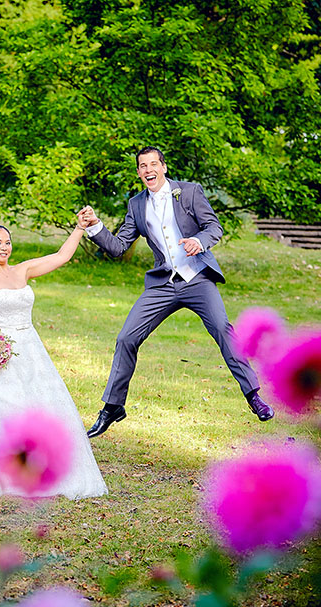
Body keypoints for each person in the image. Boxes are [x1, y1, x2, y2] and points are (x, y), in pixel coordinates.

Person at [77, 146, 274, 438]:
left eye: (153, 164)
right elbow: (119, 247)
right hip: (163, 284)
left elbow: (213, 226)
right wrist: (95, 227)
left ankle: (253, 396)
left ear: (164, 167)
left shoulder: (190, 192)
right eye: (142, 166)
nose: (148, 170)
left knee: (222, 328)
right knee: (126, 337)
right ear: (138, 173)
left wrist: (199, 241)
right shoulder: (136, 205)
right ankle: (113, 407)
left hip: (196, 278)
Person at [0, 223, 108, 499]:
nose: (4, 248)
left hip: (31, 350)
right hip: (1, 353)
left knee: (41, 405)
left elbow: (61, 257)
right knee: (5, 407)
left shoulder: (22, 270)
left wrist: (80, 228)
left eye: (7, 242)